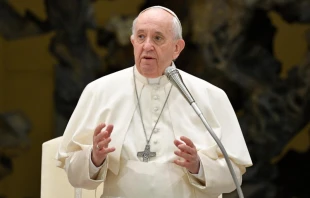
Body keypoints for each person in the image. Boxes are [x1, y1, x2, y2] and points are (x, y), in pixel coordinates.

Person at [56, 5, 252, 198]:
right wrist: (94, 158)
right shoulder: (99, 91)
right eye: (141, 37)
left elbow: (234, 176)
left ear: (177, 47)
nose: (147, 45)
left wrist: (198, 166)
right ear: (132, 41)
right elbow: (73, 174)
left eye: (157, 38)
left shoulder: (209, 96)